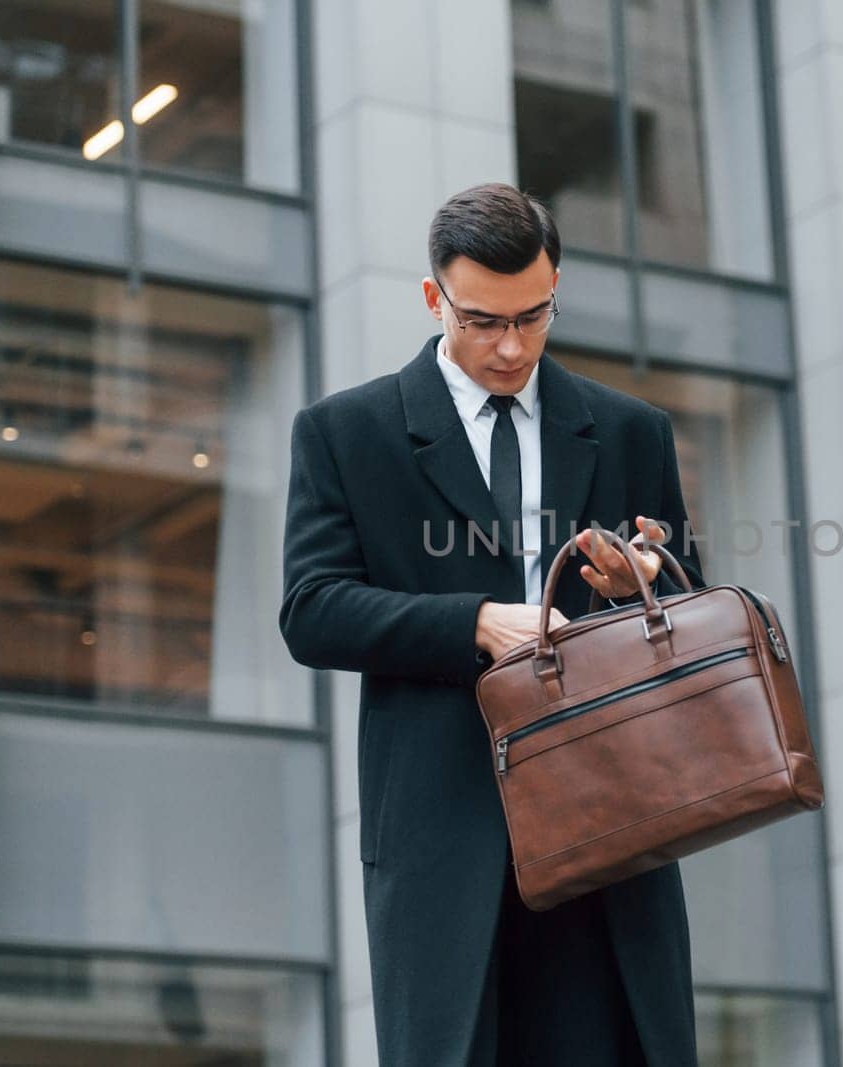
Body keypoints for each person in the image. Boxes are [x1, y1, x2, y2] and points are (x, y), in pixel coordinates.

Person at [278, 182, 703, 1066]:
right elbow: (312, 609)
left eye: (533, 316)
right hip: (443, 828)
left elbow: (688, 604)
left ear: (556, 289)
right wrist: (474, 623)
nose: (511, 346)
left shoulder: (630, 431)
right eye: (482, 321)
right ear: (435, 299)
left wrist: (643, 577)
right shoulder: (347, 432)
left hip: (610, 824)